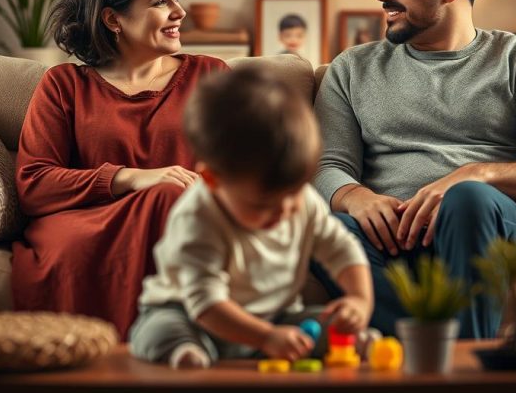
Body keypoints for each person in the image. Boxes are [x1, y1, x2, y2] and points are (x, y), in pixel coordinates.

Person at [313, 0, 516, 339]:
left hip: (490, 225)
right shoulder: (351, 68)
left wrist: (476, 175)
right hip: (392, 236)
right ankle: (438, 347)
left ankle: (458, 376)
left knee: (467, 198)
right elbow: (324, 165)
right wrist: (355, 197)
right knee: (321, 230)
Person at [14, 0, 227, 340]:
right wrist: (130, 178)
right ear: (113, 18)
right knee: (159, 196)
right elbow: (34, 185)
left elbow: (244, 170)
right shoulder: (63, 85)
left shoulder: (211, 77)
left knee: (167, 199)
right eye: (161, 1)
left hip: (181, 216)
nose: (180, 12)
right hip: (86, 223)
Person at [129, 66, 372, 367]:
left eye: (292, 196)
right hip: (195, 317)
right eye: (262, 205)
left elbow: (342, 250)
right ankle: (186, 353)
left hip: (277, 318)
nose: (283, 212)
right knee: (160, 330)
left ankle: (349, 341)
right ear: (212, 179)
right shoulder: (197, 216)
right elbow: (204, 303)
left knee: (326, 327)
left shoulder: (302, 199)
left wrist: (359, 300)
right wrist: (266, 338)